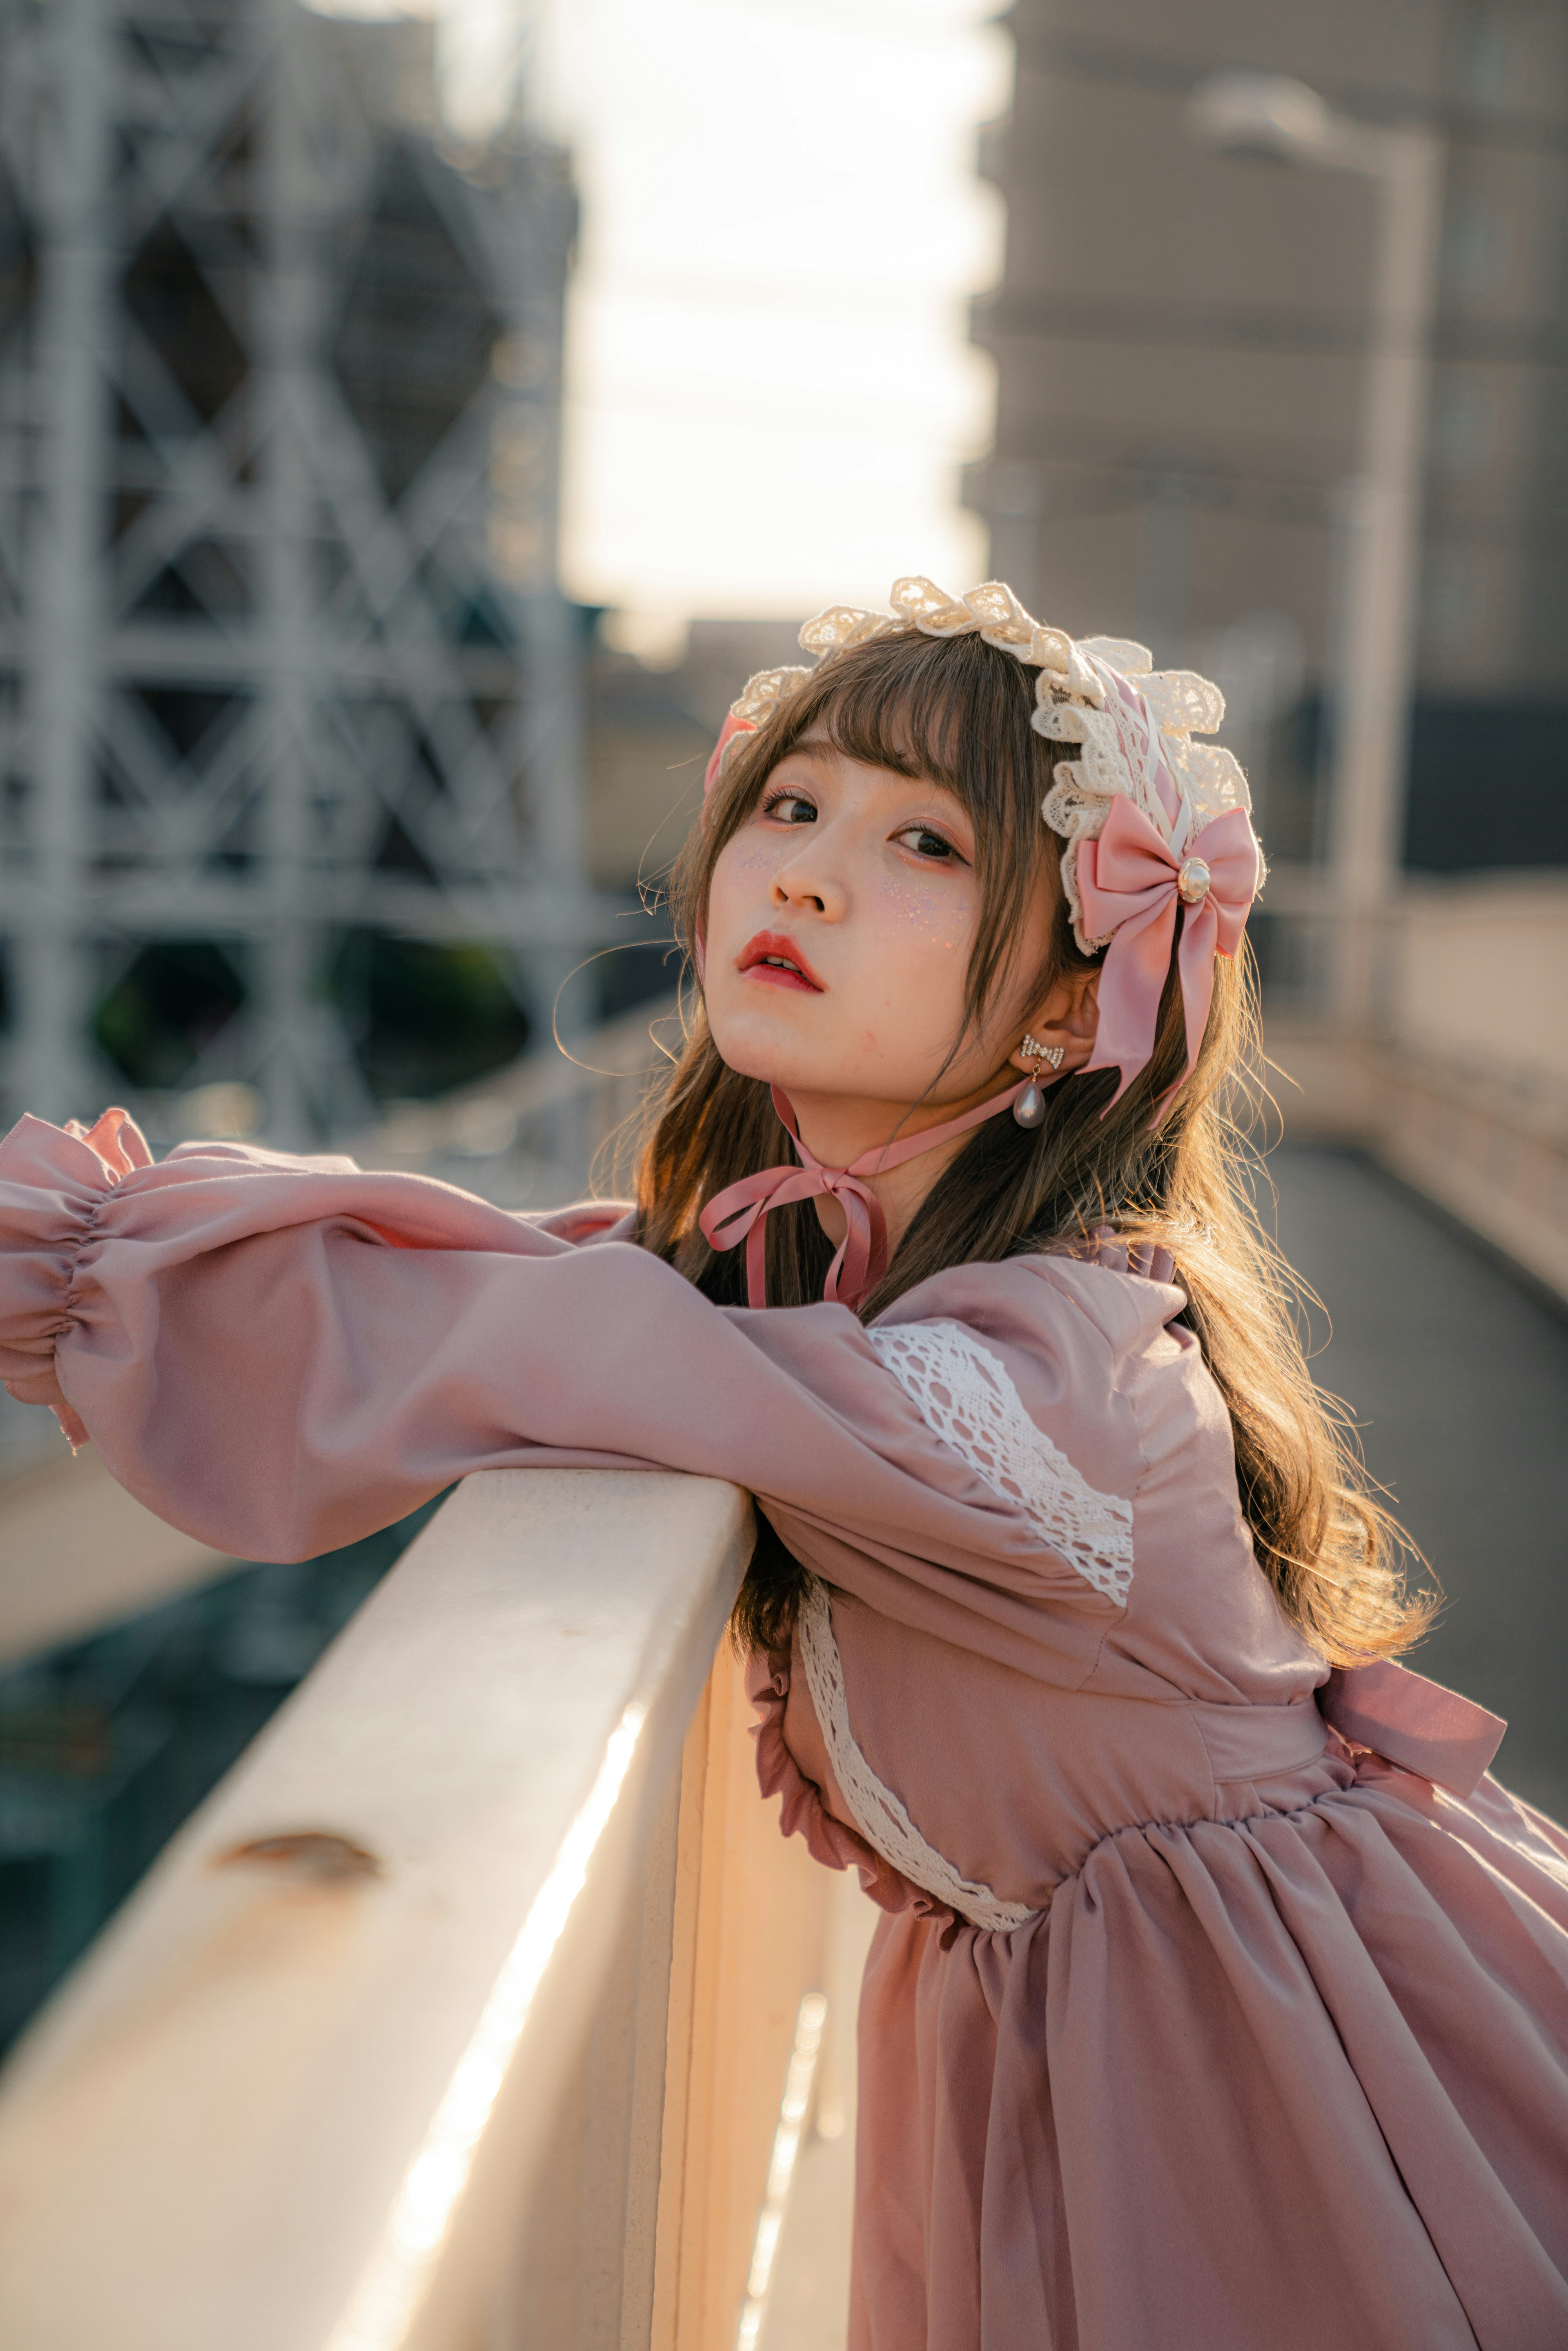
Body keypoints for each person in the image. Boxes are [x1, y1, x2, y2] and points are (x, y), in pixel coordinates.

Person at [2, 577, 1566, 2349]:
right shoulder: (834, 1297)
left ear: (1069, 1013)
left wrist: (94, 1259)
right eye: (793, 807)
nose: (805, 872)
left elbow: (572, 1330)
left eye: (925, 843)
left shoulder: (1056, 1375)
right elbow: (590, 1294)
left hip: (1294, 2066)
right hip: (1128, 2045)